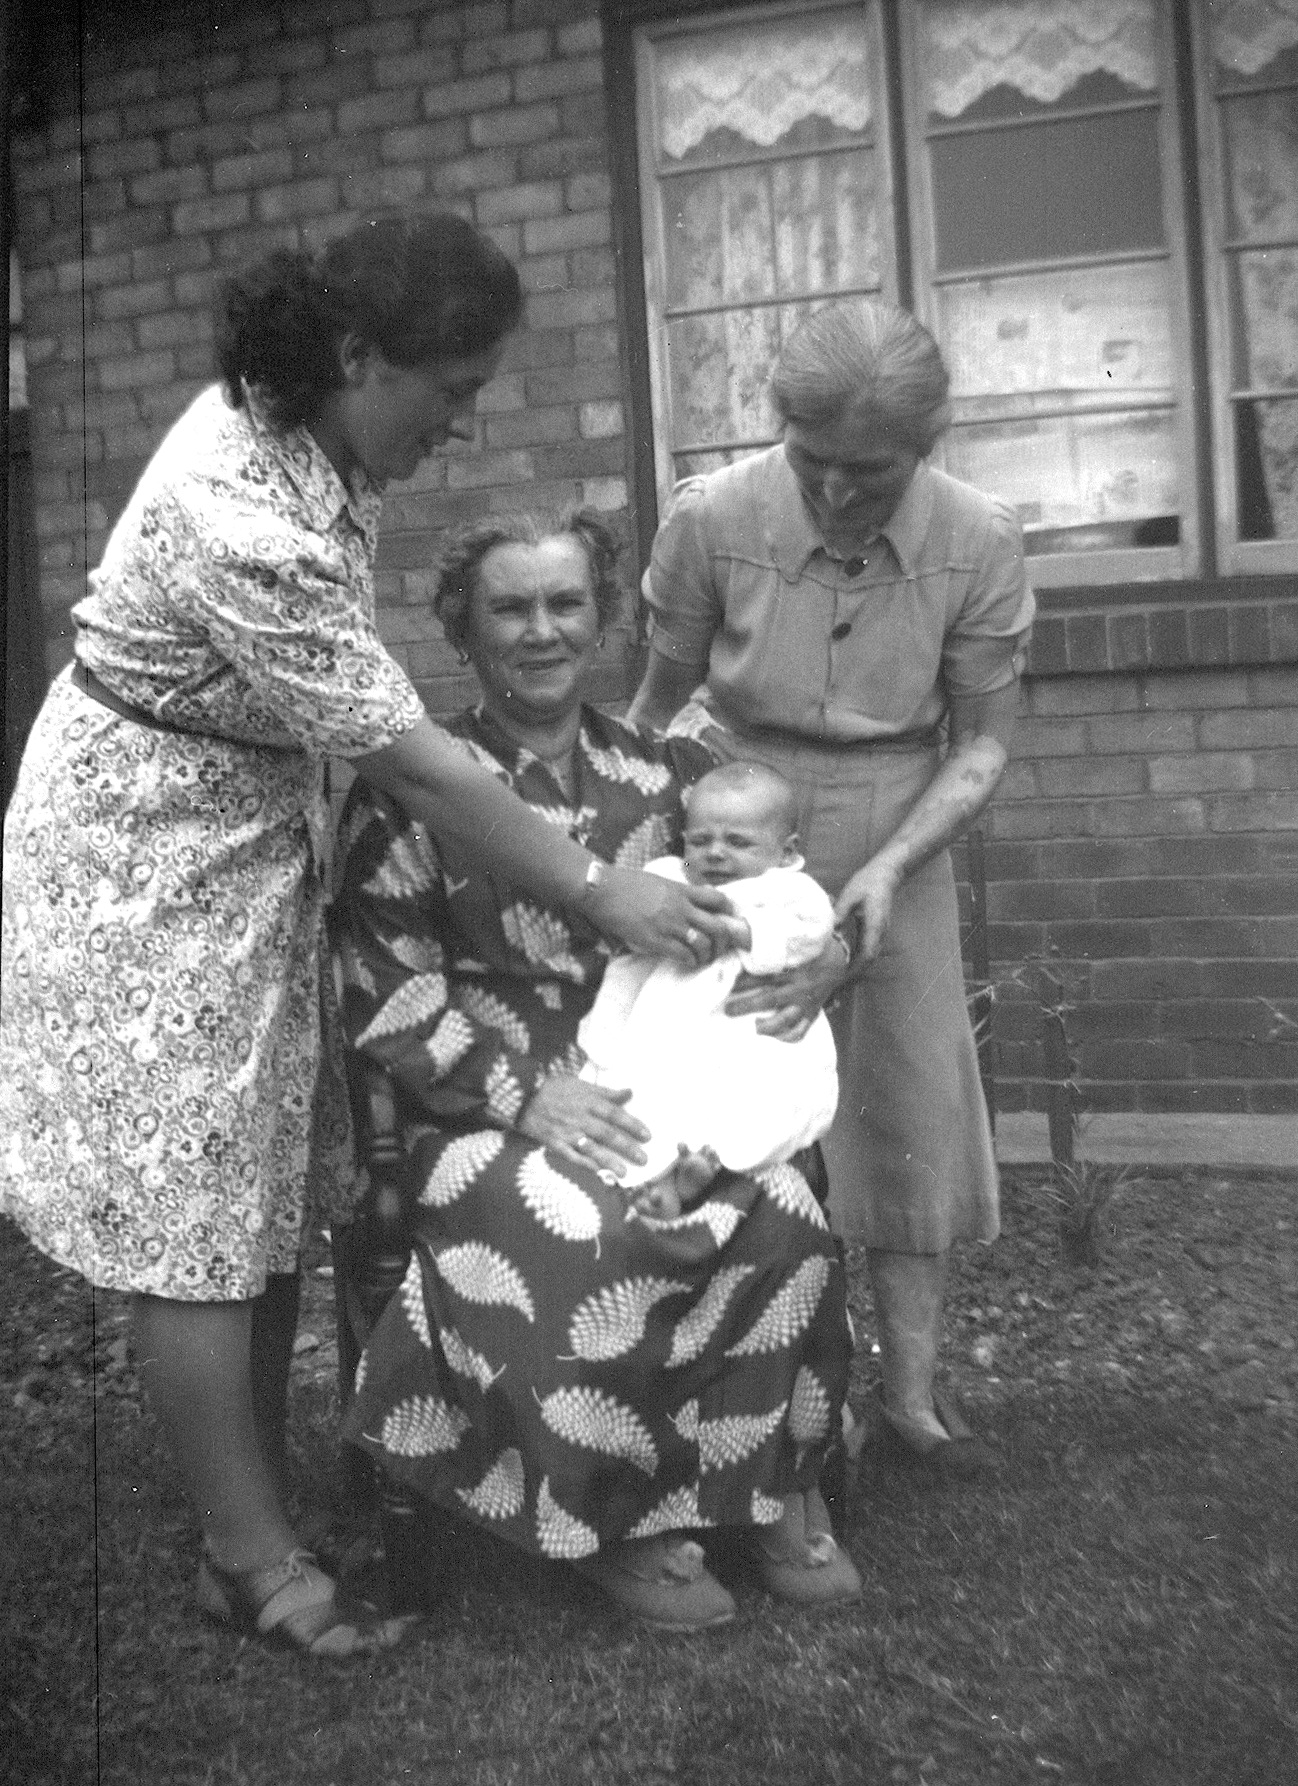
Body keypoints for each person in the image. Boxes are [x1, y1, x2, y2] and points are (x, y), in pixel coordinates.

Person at [0, 212, 740, 1661]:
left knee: (263, 1187)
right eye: (450, 390)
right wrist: (599, 889)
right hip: (139, 861)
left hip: (241, 830)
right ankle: (247, 1559)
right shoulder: (244, 510)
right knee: (192, 1215)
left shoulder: (318, 443)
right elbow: (417, 765)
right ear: (356, 355)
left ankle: (252, 1513)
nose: (460, 424)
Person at [331, 508, 861, 1629]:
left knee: (776, 1205)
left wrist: (829, 959)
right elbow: (387, 997)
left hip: (672, 1084)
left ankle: (766, 1482)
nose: (542, 631)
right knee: (588, 1223)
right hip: (481, 1105)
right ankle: (616, 1517)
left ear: (605, 618)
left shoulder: (675, 774)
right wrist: (529, 1096)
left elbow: (779, 894)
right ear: (463, 631)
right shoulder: (417, 787)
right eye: (510, 609)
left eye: (565, 603)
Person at [628, 298, 1034, 1477]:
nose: (840, 491)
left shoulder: (979, 538)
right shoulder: (711, 517)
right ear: (779, 426)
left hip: (900, 815)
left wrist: (890, 869)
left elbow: (982, 741)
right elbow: (654, 703)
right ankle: (727, 1382)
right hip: (730, 814)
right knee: (716, 1074)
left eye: (873, 469)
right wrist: (649, 851)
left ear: (928, 444)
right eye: (814, 462)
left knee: (907, 1110)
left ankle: (906, 1399)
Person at [578, 759, 840, 1220]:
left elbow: (812, 929)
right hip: (673, 1011)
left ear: (785, 852)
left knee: (765, 1097)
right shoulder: (667, 878)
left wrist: (746, 933)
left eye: (737, 842)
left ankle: (712, 1163)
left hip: (748, 1024)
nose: (715, 854)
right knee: (650, 1090)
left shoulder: (789, 889)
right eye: (700, 841)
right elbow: (634, 925)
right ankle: (660, 1179)